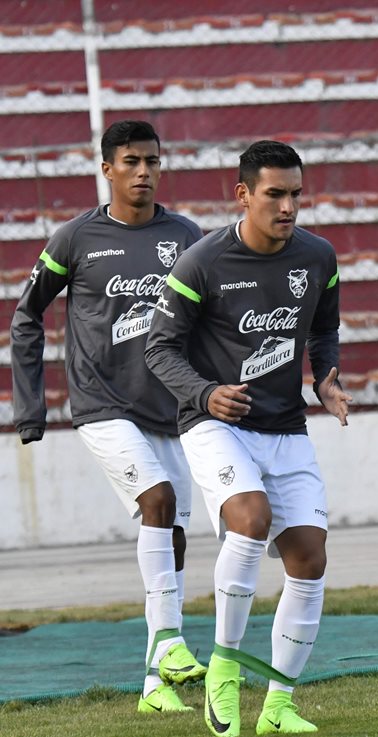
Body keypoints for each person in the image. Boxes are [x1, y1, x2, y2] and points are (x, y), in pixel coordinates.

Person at [145, 140, 352, 735]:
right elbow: (159, 348)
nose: (287, 207)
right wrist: (206, 394)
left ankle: (280, 705)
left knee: (310, 558)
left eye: (295, 195)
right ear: (243, 195)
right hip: (215, 424)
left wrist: (327, 381)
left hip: (285, 427)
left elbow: (325, 331)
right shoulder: (202, 261)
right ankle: (224, 673)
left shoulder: (318, 256)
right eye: (274, 195)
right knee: (251, 520)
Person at [9, 120, 207, 713]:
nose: (143, 171)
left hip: (170, 410)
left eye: (151, 160)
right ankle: (172, 642)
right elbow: (26, 315)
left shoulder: (188, 237)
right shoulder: (74, 239)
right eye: (130, 161)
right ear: (107, 169)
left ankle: (154, 686)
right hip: (101, 406)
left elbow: (211, 321)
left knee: (171, 539)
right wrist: (30, 410)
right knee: (159, 501)